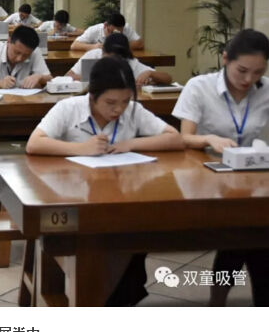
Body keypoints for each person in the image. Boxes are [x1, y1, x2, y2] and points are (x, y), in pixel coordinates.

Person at [27, 56, 184, 306]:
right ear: (92, 95)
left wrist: (130, 143)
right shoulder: (68, 108)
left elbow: (175, 138)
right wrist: (81, 149)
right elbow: (34, 143)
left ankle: (113, 299)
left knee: (136, 231)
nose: (118, 109)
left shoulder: (133, 111)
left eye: (125, 101)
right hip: (74, 198)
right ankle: (98, 298)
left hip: (120, 198)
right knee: (99, 241)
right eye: (110, 102)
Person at [172, 28, 269, 306]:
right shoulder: (199, 87)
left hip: (251, 177)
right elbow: (184, 138)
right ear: (225, 59)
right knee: (250, 236)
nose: (249, 80)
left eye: (258, 72)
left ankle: (220, 303)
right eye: (242, 71)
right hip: (206, 174)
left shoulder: (266, 90)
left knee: (253, 237)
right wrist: (209, 139)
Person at [66, 33, 172, 87]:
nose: (113, 62)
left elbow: (168, 78)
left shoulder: (131, 63)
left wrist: (150, 73)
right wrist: (93, 77)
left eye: (117, 59)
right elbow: (67, 77)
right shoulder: (93, 56)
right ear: (103, 51)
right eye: (109, 57)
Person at [71, 13, 143, 51]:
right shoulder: (94, 30)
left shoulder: (126, 28)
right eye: (111, 32)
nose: (113, 36)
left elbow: (140, 44)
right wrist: (93, 46)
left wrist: (120, 46)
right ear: (105, 25)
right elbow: (74, 45)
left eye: (118, 33)